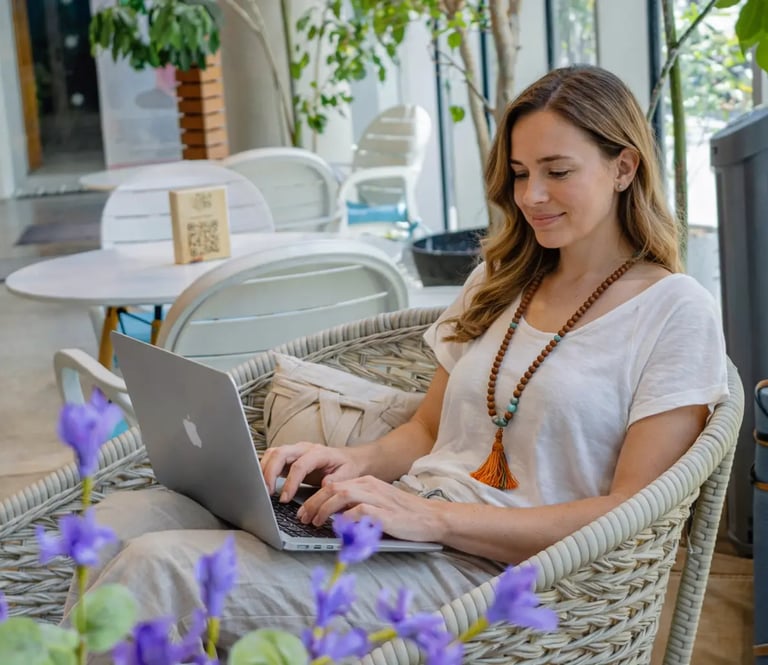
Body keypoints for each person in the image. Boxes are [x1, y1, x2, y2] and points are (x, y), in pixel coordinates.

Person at [74, 64, 728, 661]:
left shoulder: (673, 311)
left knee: (159, 571)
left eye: (557, 171)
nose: (531, 195)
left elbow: (632, 514)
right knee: (115, 523)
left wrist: (436, 519)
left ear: (624, 167)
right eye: (521, 172)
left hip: (493, 575)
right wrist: (351, 463)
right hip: (402, 527)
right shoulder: (498, 281)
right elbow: (424, 432)